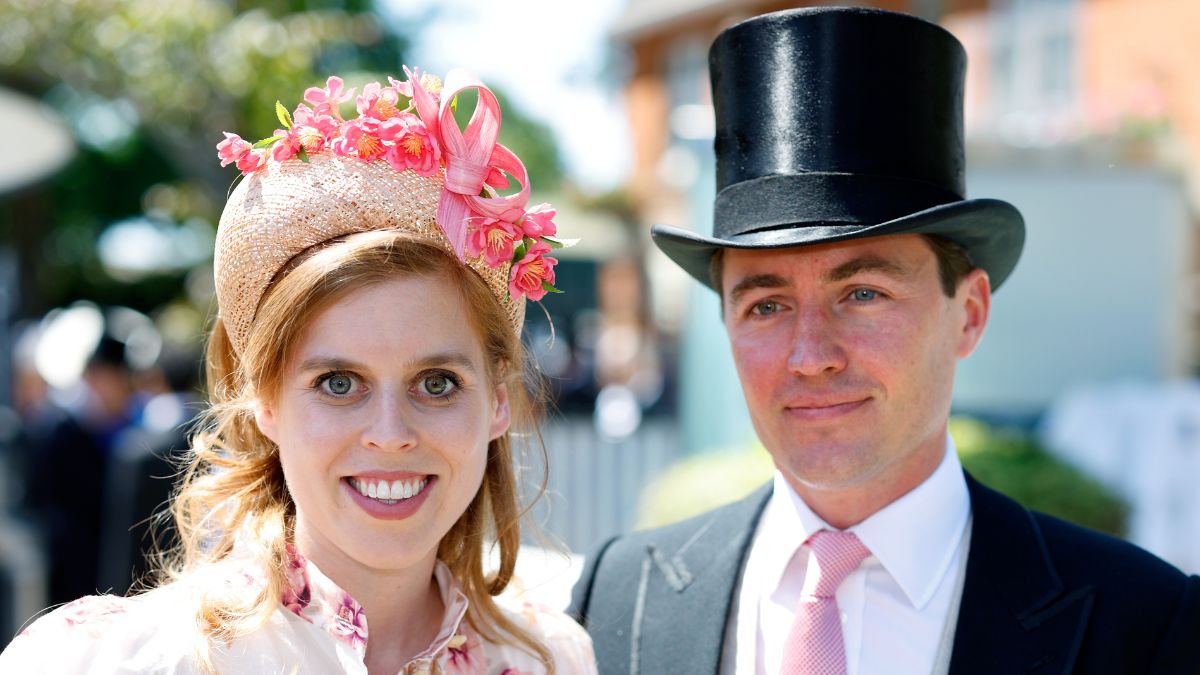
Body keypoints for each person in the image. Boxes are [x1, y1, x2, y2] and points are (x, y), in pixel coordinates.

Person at [569, 8, 1200, 675]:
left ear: (970, 314)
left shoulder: (1144, 626)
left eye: (863, 293)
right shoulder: (619, 599)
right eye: (767, 305)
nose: (811, 355)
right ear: (725, 322)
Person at [2, 68, 596, 674]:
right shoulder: (104, 662)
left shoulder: (554, 660)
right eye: (338, 383)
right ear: (264, 399)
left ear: (498, 400)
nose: (390, 433)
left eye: (437, 383)